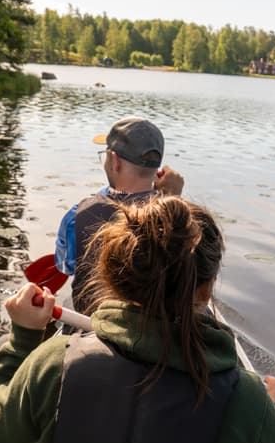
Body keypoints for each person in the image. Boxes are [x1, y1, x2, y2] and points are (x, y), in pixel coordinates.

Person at [0, 196, 275, 443]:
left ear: (113, 278)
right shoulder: (245, 400)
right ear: (206, 289)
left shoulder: (55, 365)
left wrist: (24, 338)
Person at [55, 117, 185, 312]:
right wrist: (174, 198)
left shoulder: (78, 215)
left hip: (91, 330)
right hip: (157, 327)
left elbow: (64, 266)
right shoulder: (180, 218)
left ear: (115, 161)